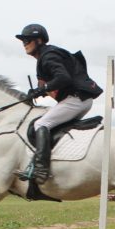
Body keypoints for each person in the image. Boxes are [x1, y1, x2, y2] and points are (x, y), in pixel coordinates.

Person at [14, 23, 103, 184]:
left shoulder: (48, 56)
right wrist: (35, 92)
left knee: (41, 124)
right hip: (77, 99)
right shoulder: (44, 58)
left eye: (28, 40)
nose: (24, 44)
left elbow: (63, 78)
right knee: (49, 124)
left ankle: (41, 169)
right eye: (23, 41)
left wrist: (42, 90)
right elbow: (44, 84)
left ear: (39, 40)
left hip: (76, 99)